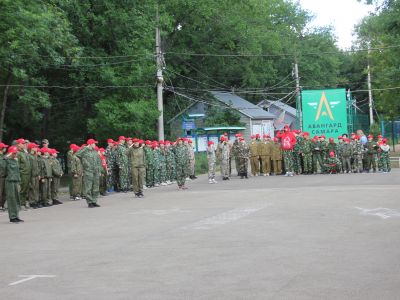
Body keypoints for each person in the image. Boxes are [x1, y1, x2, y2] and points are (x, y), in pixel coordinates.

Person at [76, 139, 101, 208]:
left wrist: (99, 170)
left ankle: (94, 201)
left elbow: (99, 161)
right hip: (88, 171)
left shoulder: (95, 152)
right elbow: (77, 154)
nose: (95, 145)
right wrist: (85, 148)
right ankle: (89, 202)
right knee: (88, 187)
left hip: (95, 171)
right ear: (90, 144)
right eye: (94, 144)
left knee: (96, 187)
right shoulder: (84, 151)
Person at [4, 146, 24, 223]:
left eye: (16, 153)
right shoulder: (5, 160)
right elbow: (2, 168)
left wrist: (19, 182)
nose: (16, 155)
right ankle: (12, 217)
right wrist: (6, 157)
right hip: (9, 182)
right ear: (10, 153)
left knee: (16, 199)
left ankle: (16, 215)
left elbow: (18, 172)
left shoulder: (15, 160)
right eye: (14, 153)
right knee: (11, 199)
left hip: (16, 181)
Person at [16, 138, 32, 209]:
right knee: (22, 189)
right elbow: (17, 165)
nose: (24, 144)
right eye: (22, 143)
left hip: (27, 173)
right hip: (22, 174)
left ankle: (25, 202)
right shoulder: (18, 153)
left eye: (24, 143)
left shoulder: (24, 152)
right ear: (18, 144)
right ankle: (21, 204)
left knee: (26, 189)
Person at [28, 143, 41, 208]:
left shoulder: (35, 156)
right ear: (32, 148)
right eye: (35, 147)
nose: (36, 148)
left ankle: (36, 201)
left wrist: (38, 174)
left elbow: (37, 166)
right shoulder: (29, 156)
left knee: (36, 189)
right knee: (32, 189)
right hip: (32, 175)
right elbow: (29, 167)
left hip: (36, 175)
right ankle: (32, 202)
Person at [0, 142, 8, 211]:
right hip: (0, 177)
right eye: (4, 147)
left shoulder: (4, 156)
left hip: (5, 176)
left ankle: (2, 205)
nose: (5, 148)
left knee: (4, 192)